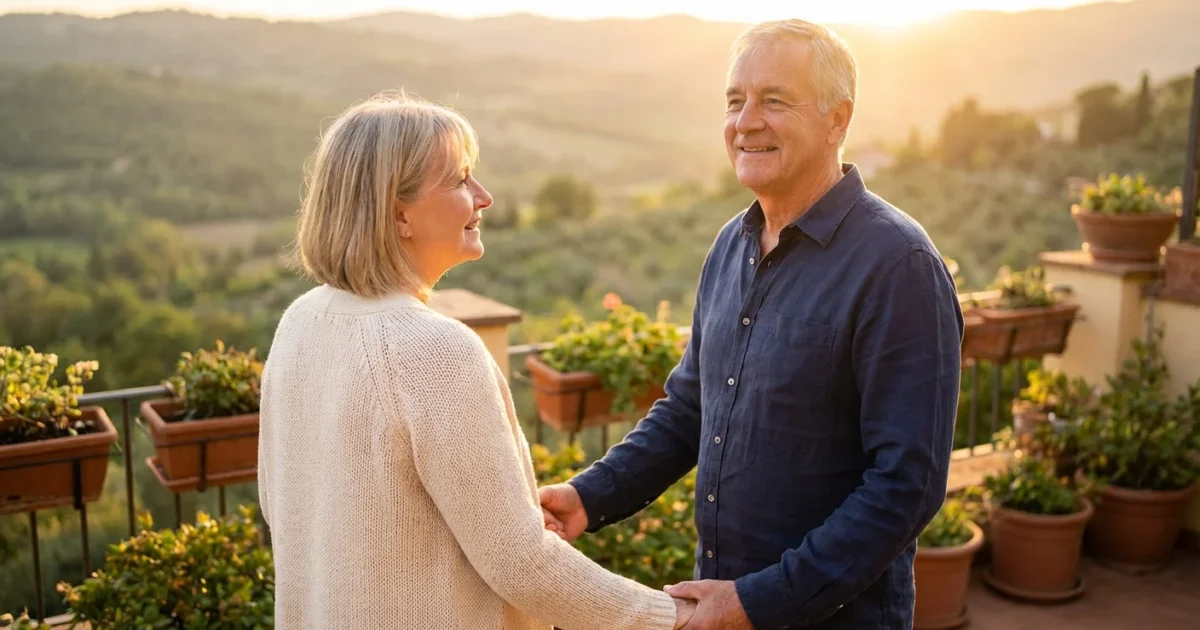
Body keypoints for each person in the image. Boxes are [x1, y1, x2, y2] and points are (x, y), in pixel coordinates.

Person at [539, 19, 963, 630]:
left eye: (774, 100)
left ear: (837, 120)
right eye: (735, 101)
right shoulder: (729, 245)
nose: (746, 121)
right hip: (721, 607)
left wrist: (758, 603)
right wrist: (588, 496)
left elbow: (906, 486)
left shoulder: (898, 265)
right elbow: (689, 410)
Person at [257, 92, 695, 629]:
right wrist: (674, 618)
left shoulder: (300, 322)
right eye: (461, 180)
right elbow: (523, 566)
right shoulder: (435, 353)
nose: (484, 197)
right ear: (399, 214)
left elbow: (279, 508)